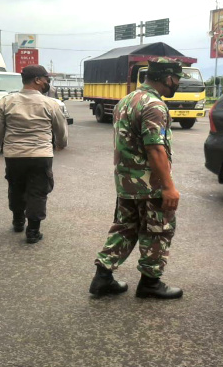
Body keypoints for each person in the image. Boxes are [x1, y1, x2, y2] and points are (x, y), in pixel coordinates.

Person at [89, 57, 185, 300]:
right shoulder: (154, 105)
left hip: (126, 182)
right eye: (177, 79)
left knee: (125, 227)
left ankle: (102, 278)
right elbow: (155, 148)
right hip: (149, 184)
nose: (178, 84)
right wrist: (168, 187)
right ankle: (150, 283)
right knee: (158, 230)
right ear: (168, 78)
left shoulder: (127, 100)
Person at [0, 65, 68, 243]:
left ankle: (18, 221)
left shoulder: (7, 101)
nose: (48, 83)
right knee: (38, 191)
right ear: (37, 80)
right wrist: (61, 144)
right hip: (41, 155)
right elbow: (61, 129)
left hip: (14, 155)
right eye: (47, 79)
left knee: (16, 187)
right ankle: (33, 231)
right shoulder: (50, 103)